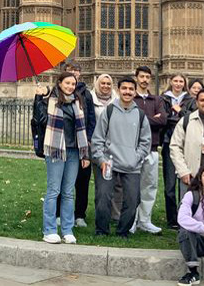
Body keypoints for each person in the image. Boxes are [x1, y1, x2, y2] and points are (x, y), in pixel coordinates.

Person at [32, 72, 91, 244]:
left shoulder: (77, 102)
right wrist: (38, 98)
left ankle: (67, 230)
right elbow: (40, 120)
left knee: (68, 192)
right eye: (67, 83)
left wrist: (85, 153)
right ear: (59, 83)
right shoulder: (50, 101)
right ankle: (49, 230)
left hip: (73, 151)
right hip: (56, 150)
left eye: (73, 84)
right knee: (53, 191)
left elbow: (82, 129)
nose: (70, 86)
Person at [90, 76, 151, 237]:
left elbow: (145, 142)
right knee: (103, 197)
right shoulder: (109, 111)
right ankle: (102, 230)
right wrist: (101, 159)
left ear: (135, 92)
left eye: (131, 89)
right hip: (108, 163)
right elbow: (98, 138)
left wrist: (136, 157)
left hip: (132, 165)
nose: (127, 92)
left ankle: (123, 231)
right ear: (118, 90)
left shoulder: (140, 115)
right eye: (124, 88)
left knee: (133, 199)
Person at [131, 65, 166, 234]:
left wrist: (142, 119)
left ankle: (145, 220)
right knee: (132, 186)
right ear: (136, 78)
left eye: (147, 77)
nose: (144, 80)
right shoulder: (131, 98)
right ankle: (131, 220)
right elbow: (130, 120)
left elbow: (163, 120)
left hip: (152, 148)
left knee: (150, 186)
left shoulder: (157, 100)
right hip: (133, 148)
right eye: (142, 76)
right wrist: (152, 119)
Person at [64, 62, 97, 228]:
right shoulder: (58, 93)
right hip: (66, 144)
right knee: (63, 180)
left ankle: (79, 215)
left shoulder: (86, 94)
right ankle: (60, 213)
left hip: (83, 144)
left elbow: (91, 118)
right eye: (71, 71)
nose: (74, 73)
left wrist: (88, 138)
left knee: (83, 181)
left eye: (76, 71)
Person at [161, 73, 188, 228]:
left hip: (186, 145)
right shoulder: (163, 98)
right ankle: (172, 220)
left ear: (184, 83)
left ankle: (184, 217)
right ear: (170, 82)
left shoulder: (190, 99)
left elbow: (191, 118)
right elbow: (162, 119)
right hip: (168, 142)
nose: (178, 83)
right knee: (170, 185)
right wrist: (176, 117)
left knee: (185, 184)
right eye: (175, 81)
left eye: (180, 81)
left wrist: (179, 111)